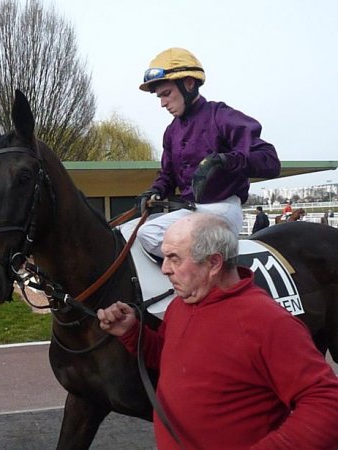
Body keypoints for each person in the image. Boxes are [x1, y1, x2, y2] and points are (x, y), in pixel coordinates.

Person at [97, 213, 338, 449]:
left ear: (213, 263)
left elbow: (327, 403)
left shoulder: (267, 321)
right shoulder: (180, 305)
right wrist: (131, 332)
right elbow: (170, 357)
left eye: (174, 258)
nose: (165, 269)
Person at [136, 48, 280, 258]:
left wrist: (223, 161)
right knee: (139, 232)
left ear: (188, 84)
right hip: (192, 210)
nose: (162, 103)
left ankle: (209, 283)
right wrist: (155, 191)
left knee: (158, 235)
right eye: (159, 97)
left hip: (222, 209)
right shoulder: (171, 131)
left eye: (166, 94)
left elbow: (271, 161)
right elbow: (168, 175)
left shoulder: (221, 116)